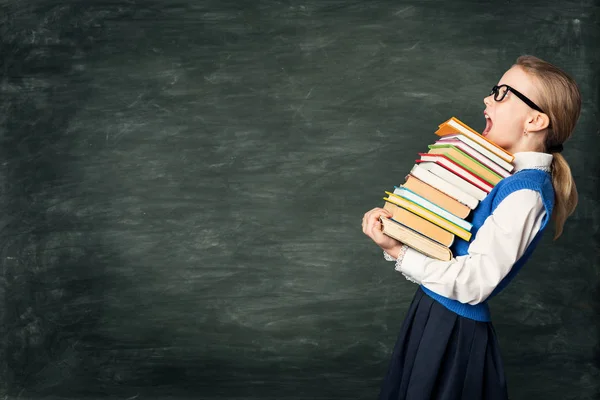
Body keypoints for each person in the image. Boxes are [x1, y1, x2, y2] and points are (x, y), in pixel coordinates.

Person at [362, 55, 581, 400]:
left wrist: (398, 251)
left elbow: (475, 283)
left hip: (452, 333)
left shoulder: (526, 192)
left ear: (535, 120)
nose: (487, 99)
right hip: (435, 315)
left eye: (502, 93)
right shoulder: (502, 174)